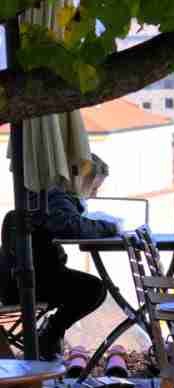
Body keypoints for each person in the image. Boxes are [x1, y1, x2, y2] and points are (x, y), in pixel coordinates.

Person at [2, 154, 120, 360]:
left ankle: (50, 336)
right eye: (93, 187)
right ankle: (49, 337)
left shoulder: (47, 194)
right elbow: (71, 227)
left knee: (87, 287)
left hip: (20, 278)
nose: (93, 194)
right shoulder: (57, 197)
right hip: (28, 283)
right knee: (95, 290)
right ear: (81, 179)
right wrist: (111, 226)